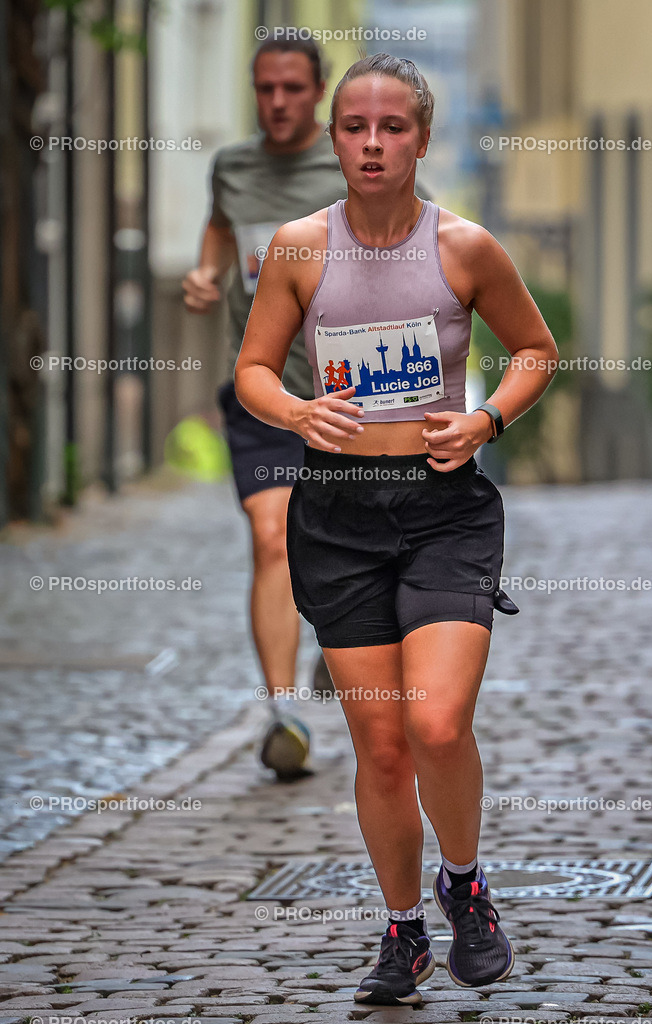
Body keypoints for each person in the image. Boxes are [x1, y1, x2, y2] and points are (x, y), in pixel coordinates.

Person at [234, 54, 559, 1005]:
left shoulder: (464, 247)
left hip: (441, 508)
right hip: (338, 516)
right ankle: (404, 931)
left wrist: (486, 419)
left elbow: (536, 350)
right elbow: (254, 371)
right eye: (354, 128)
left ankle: (466, 884)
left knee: (437, 721)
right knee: (380, 748)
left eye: (392, 127)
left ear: (421, 138)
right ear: (334, 138)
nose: (372, 144)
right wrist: (297, 412)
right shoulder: (299, 247)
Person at [182, 37, 347, 781]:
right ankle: (285, 715)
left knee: (346, 543)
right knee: (271, 534)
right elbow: (221, 225)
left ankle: (338, 642)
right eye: (265, 88)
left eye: (292, 88)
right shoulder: (233, 167)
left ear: (318, 91)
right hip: (264, 390)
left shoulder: (353, 164)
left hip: (349, 394)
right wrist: (205, 272)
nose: (277, 102)